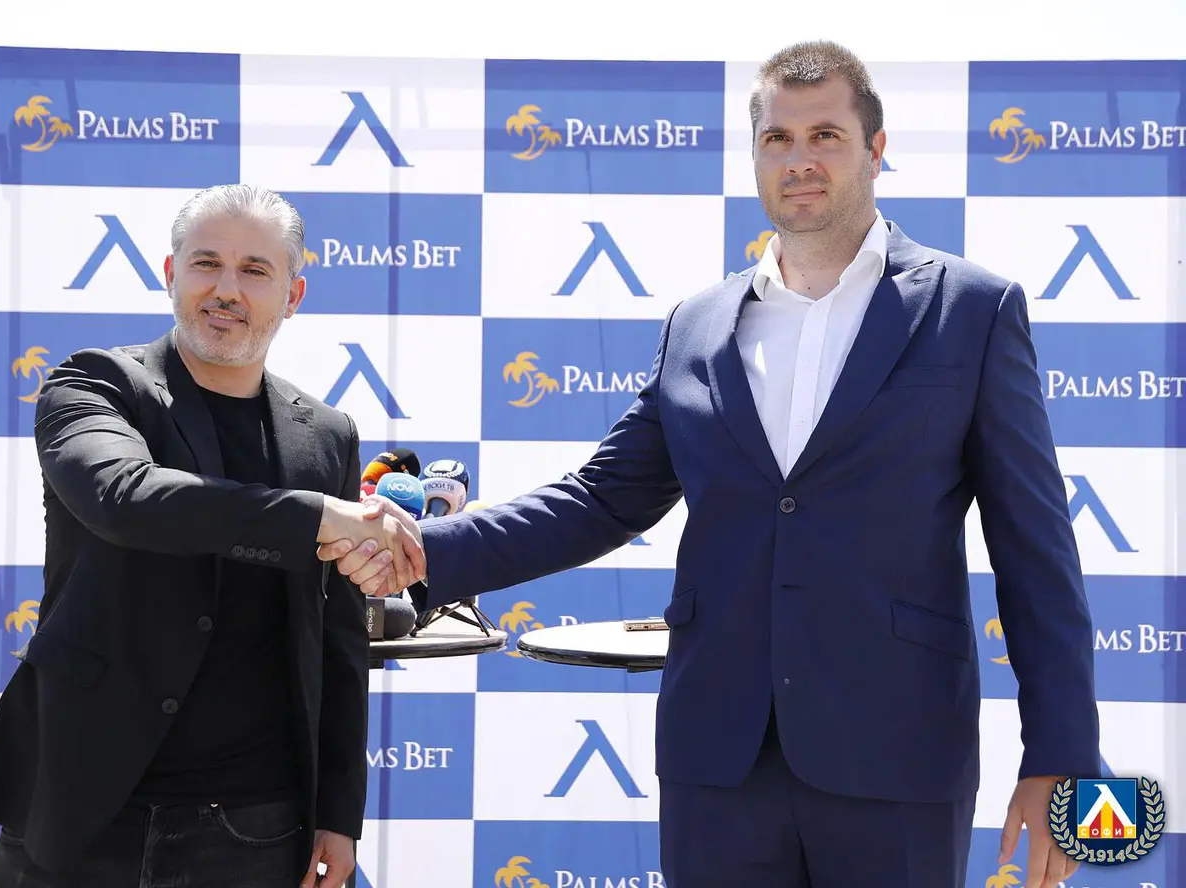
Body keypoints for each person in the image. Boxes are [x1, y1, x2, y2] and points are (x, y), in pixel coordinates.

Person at [326, 40, 1101, 888]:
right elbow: (601, 499)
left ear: (876, 150)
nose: (799, 160)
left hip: (898, 756)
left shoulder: (972, 310)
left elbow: (1036, 551)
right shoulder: (697, 323)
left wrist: (1061, 750)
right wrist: (424, 548)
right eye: (777, 139)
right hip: (717, 763)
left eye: (826, 136)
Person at [0, 184, 423, 888]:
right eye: (206, 263)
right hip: (79, 807)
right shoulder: (95, 385)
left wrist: (339, 813)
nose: (226, 289)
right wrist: (317, 516)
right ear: (170, 273)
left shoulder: (327, 435)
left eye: (254, 270)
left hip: (255, 827)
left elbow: (337, 637)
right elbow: (125, 498)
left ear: (293, 294)